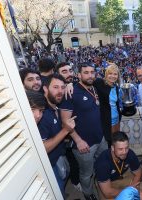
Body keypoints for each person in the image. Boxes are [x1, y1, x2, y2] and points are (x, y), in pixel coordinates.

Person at [60, 63, 107, 200]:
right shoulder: (71, 92)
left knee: (102, 164)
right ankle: (88, 193)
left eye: (92, 72)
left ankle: (102, 184)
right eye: (86, 72)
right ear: (78, 75)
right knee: (87, 172)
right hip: (84, 143)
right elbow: (65, 121)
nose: (90, 75)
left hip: (100, 138)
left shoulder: (95, 87)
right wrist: (78, 140)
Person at [37, 74, 76, 196]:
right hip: (50, 166)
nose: (60, 91)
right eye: (55, 87)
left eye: (62, 87)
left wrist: (69, 84)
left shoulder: (55, 106)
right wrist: (65, 131)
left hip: (59, 158)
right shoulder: (40, 114)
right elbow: (42, 148)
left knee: (62, 188)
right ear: (45, 88)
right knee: (57, 192)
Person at [95, 131, 142, 200]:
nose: (124, 152)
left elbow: (138, 174)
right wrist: (129, 192)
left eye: (126, 147)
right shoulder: (102, 164)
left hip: (123, 176)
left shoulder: (130, 153)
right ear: (112, 148)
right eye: (120, 149)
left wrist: (132, 188)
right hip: (108, 183)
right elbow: (108, 193)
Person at [56, 62, 81, 191]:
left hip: (76, 132)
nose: (69, 73)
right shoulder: (57, 92)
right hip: (65, 137)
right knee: (73, 163)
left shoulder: (74, 86)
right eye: (64, 71)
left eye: (70, 70)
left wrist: (70, 84)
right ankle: (76, 183)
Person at [94, 63, 122, 146]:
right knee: (108, 144)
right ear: (106, 74)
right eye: (110, 73)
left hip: (116, 120)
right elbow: (85, 83)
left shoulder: (116, 87)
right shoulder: (99, 82)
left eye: (115, 74)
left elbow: (115, 104)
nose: (112, 76)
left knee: (115, 143)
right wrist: (70, 84)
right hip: (106, 121)